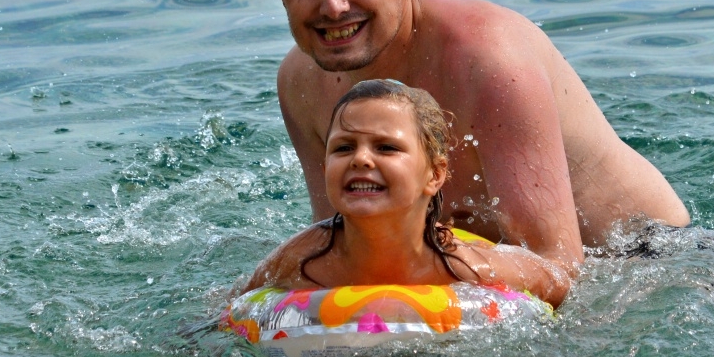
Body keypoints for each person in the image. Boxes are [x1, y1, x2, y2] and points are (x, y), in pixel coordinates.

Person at [271, 0, 690, 274]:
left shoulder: (491, 60)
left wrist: (433, 261)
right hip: (495, 272)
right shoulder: (301, 82)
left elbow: (560, 266)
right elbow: (344, 238)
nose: (333, 6)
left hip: (650, 263)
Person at [242, 79, 570, 308]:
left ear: (435, 174)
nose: (360, 159)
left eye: (386, 147)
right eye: (343, 148)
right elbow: (233, 309)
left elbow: (556, 283)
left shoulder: (463, 267)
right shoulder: (303, 260)